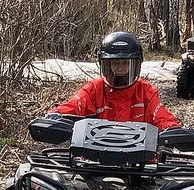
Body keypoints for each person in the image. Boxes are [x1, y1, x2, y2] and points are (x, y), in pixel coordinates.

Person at [47, 31, 181, 129]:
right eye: (115, 63)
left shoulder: (145, 91)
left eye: (125, 63)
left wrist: (172, 128)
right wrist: (56, 114)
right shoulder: (94, 89)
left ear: (135, 65)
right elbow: (75, 105)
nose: (120, 68)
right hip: (97, 156)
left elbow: (161, 115)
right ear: (106, 64)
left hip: (138, 159)